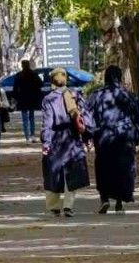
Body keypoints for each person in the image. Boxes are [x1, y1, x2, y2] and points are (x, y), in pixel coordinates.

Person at [86, 65, 139, 214]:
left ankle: (104, 198)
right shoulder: (129, 96)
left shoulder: (96, 95)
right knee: (123, 169)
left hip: (103, 136)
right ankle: (119, 202)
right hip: (125, 137)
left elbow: (87, 116)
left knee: (104, 168)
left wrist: (87, 136)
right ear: (120, 78)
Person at [41, 68, 89, 217]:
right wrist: (87, 138)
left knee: (53, 172)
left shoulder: (48, 99)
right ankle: (68, 206)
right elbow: (84, 117)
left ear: (52, 81)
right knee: (72, 172)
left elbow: (47, 123)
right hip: (73, 138)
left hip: (56, 138)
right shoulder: (75, 95)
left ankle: (54, 207)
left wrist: (46, 142)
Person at [12, 60, 44, 141]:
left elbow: (15, 88)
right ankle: (32, 135)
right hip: (32, 98)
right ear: (29, 65)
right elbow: (41, 84)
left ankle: (27, 137)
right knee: (31, 117)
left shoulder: (19, 75)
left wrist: (16, 97)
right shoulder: (34, 74)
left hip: (22, 98)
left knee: (25, 118)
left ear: (22, 66)